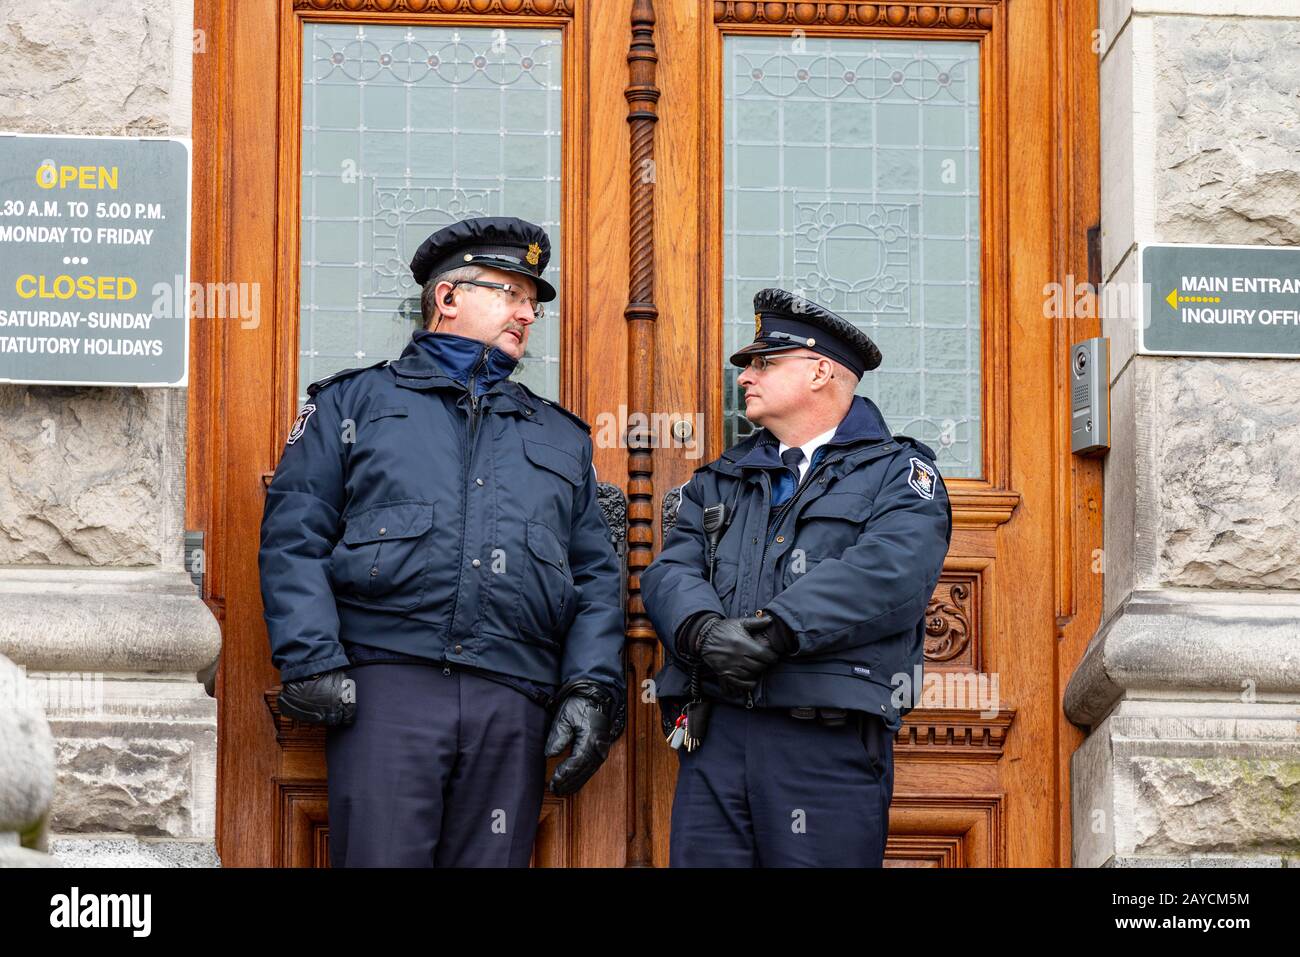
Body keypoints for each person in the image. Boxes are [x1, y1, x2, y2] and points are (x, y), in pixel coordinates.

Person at [259, 216, 626, 867]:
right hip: (389, 688)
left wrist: (590, 687)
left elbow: (597, 576)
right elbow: (295, 533)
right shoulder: (355, 405)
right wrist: (311, 658)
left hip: (512, 699)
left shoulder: (559, 437)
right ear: (447, 298)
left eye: (532, 301)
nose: (527, 313)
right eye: (509, 293)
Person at [641, 287, 952, 867]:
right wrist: (704, 632)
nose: (745, 378)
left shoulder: (898, 473)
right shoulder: (721, 480)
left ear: (819, 371)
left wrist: (779, 629)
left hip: (824, 745)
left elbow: (890, 572)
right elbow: (670, 571)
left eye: (764, 363)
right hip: (717, 734)